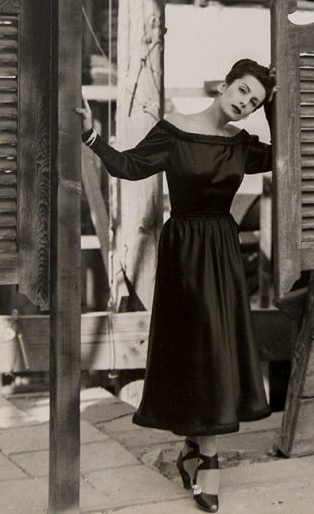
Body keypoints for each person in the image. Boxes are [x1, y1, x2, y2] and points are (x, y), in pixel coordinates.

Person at [77, 59, 276, 513]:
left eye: (255, 101)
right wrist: (91, 135)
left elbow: (291, 147)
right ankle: (207, 457)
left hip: (221, 249)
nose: (245, 103)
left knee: (214, 347)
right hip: (185, 250)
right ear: (224, 84)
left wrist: (277, 102)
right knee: (198, 345)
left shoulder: (244, 145)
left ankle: (195, 449)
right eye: (242, 91)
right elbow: (127, 167)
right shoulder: (175, 130)